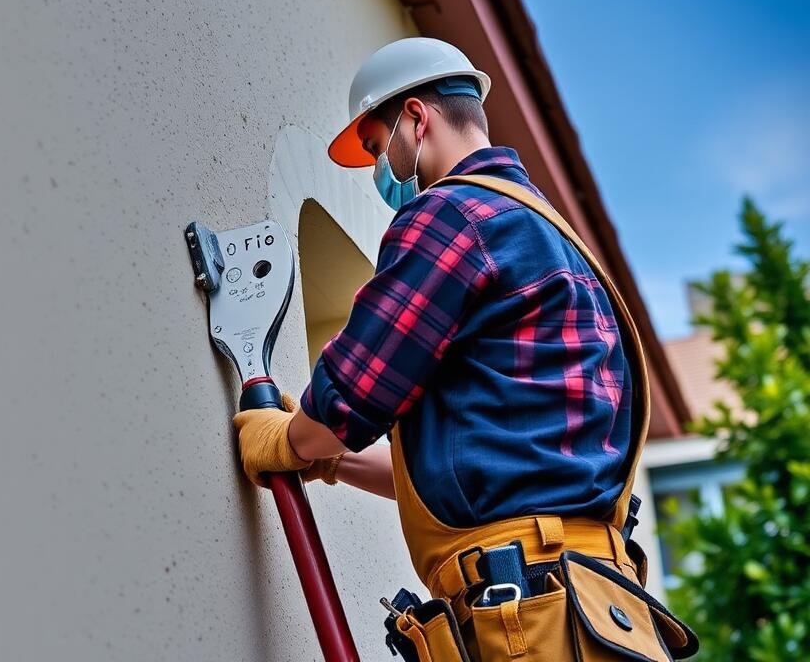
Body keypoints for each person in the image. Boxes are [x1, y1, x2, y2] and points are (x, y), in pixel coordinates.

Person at [231, 37, 697, 660]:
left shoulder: (452, 218)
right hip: (593, 611)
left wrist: (289, 438)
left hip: (528, 617)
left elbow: (349, 398)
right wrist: (331, 463)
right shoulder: (554, 243)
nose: (381, 171)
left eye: (376, 147)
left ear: (416, 119)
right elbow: (486, 477)